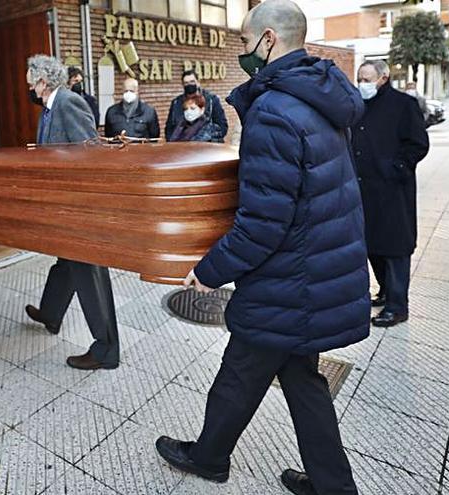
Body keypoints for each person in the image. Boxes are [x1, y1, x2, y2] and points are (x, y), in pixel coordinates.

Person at [154, 2, 368, 494]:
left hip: (289, 278)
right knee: (299, 378)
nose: (242, 52)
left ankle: (209, 458)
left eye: (245, 42)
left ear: (269, 40)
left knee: (242, 372)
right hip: (313, 269)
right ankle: (332, 485)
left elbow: (264, 222)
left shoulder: (274, 109)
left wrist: (209, 270)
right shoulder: (318, 94)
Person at [23, 55, 121, 371]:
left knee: (89, 274)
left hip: (79, 207)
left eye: (30, 81)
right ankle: (51, 313)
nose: (28, 86)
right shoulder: (49, 108)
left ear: (42, 81)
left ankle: (106, 349)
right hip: (63, 205)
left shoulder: (68, 102)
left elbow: (89, 153)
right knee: (66, 262)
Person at [353, 61, 430, 327]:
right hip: (364, 188)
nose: (362, 83)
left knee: (396, 247)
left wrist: (396, 167)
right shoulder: (357, 105)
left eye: (367, 78)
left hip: (393, 188)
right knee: (373, 243)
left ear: (383, 78)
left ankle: (398, 306)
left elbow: (418, 144)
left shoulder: (403, 105)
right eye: (360, 78)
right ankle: (385, 291)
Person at [164, 69, 228, 142]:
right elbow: (169, 128)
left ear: (198, 82)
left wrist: (207, 140)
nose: (189, 85)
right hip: (181, 147)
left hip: (207, 148)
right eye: (186, 83)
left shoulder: (211, 100)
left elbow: (222, 126)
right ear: (182, 85)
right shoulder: (176, 103)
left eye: (192, 81)